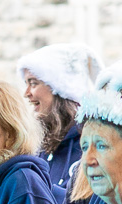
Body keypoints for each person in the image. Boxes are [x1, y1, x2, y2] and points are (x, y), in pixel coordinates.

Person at [18, 43, 103, 191]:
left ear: (61, 89)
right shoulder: (36, 144)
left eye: (33, 83)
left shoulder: (90, 144)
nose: (26, 93)